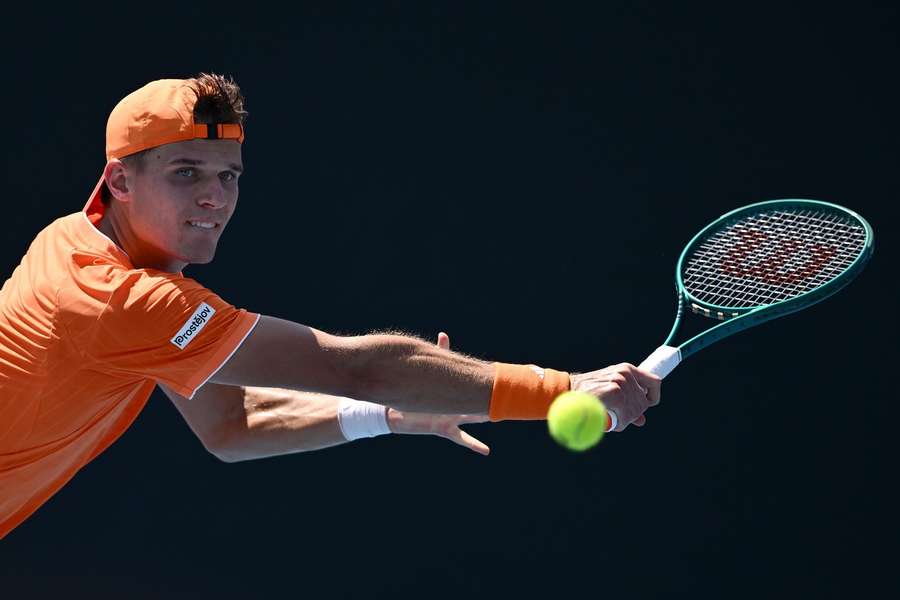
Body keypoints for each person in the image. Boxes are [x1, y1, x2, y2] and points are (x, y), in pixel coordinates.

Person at [0, 73, 661, 539]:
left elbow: (231, 424)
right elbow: (354, 367)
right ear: (120, 180)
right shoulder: (122, 301)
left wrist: (389, 414)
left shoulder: (87, 244)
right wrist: (562, 389)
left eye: (228, 176)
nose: (215, 198)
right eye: (186, 173)